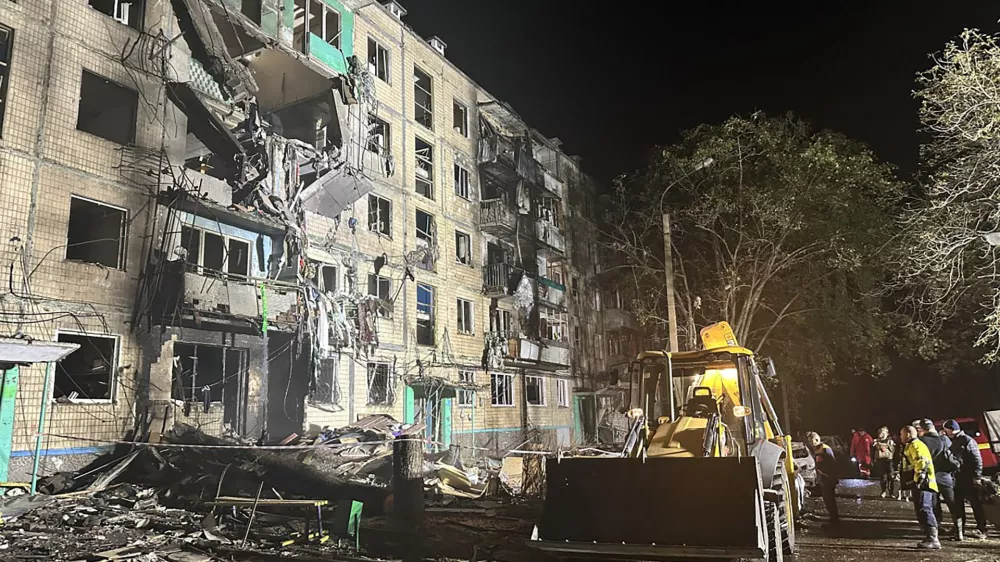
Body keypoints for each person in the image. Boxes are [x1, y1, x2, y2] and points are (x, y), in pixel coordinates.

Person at [942, 419, 988, 540]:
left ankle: (982, 529)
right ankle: (959, 528)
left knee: (975, 503)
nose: (945, 433)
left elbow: (977, 460)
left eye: (946, 431)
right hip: (958, 478)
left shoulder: (967, 441)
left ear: (951, 430)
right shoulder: (956, 441)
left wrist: (976, 477)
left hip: (968, 478)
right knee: (958, 504)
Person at [918, 419, 960, 539]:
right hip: (945, 476)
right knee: (953, 504)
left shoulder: (921, 441)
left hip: (930, 477)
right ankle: (958, 531)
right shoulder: (944, 439)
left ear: (922, 429)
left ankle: (936, 529)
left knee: (933, 504)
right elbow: (952, 456)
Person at [901, 425, 941, 549]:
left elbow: (921, 462)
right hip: (922, 483)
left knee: (925, 508)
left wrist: (918, 479)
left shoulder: (915, 445)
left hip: (924, 483)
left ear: (908, 434)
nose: (901, 437)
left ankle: (933, 539)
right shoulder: (913, 445)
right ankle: (929, 536)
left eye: (902, 434)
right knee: (922, 509)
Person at [807, 431, 840, 526]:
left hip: (828, 478)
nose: (810, 443)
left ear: (817, 440)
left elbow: (832, 463)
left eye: (811, 441)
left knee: (829, 499)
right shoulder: (818, 449)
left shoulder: (825, 449)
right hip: (824, 478)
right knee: (827, 499)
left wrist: (826, 473)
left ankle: (835, 519)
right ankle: (833, 517)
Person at [873, 426, 897, 498]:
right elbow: (873, 451)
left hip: (889, 460)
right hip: (880, 460)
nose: (882, 435)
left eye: (884, 433)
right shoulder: (876, 442)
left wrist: (889, 447)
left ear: (887, 434)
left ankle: (891, 492)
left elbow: (894, 451)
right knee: (883, 477)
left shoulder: (890, 441)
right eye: (881, 433)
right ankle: (883, 491)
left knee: (891, 477)